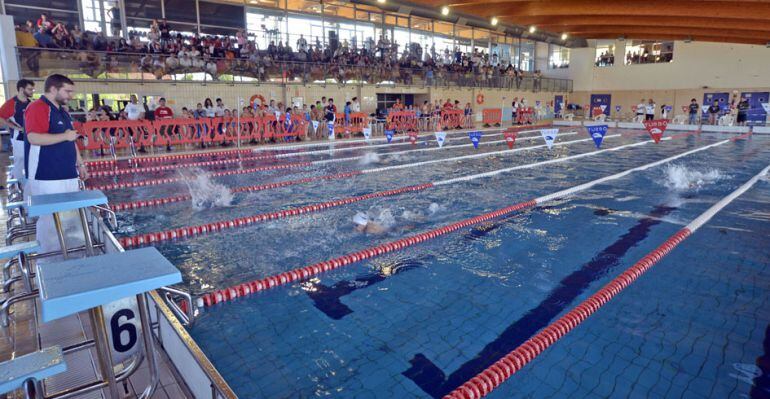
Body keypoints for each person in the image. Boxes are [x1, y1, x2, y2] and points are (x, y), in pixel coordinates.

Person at [24, 74, 88, 254]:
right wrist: (65, 136)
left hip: (68, 173)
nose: (71, 95)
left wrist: (80, 164)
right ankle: (48, 261)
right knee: (50, 223)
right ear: (53, 89)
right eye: (67, 91)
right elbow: (33, 137)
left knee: (69, 219)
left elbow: (71, 139)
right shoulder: (38, 107)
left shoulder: (62, 111)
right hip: (46, 176)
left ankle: (70, 257)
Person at [0, 79, 35, 180]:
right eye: (30, 89)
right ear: (21, 89)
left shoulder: (31, 103)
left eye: (32, 89)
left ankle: (30, 182)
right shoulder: (11, 103)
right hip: (18, 136)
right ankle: (18, 183)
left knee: (31, 159)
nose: (32, 91)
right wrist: (15, 127)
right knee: (20, 160)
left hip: (31, 136)